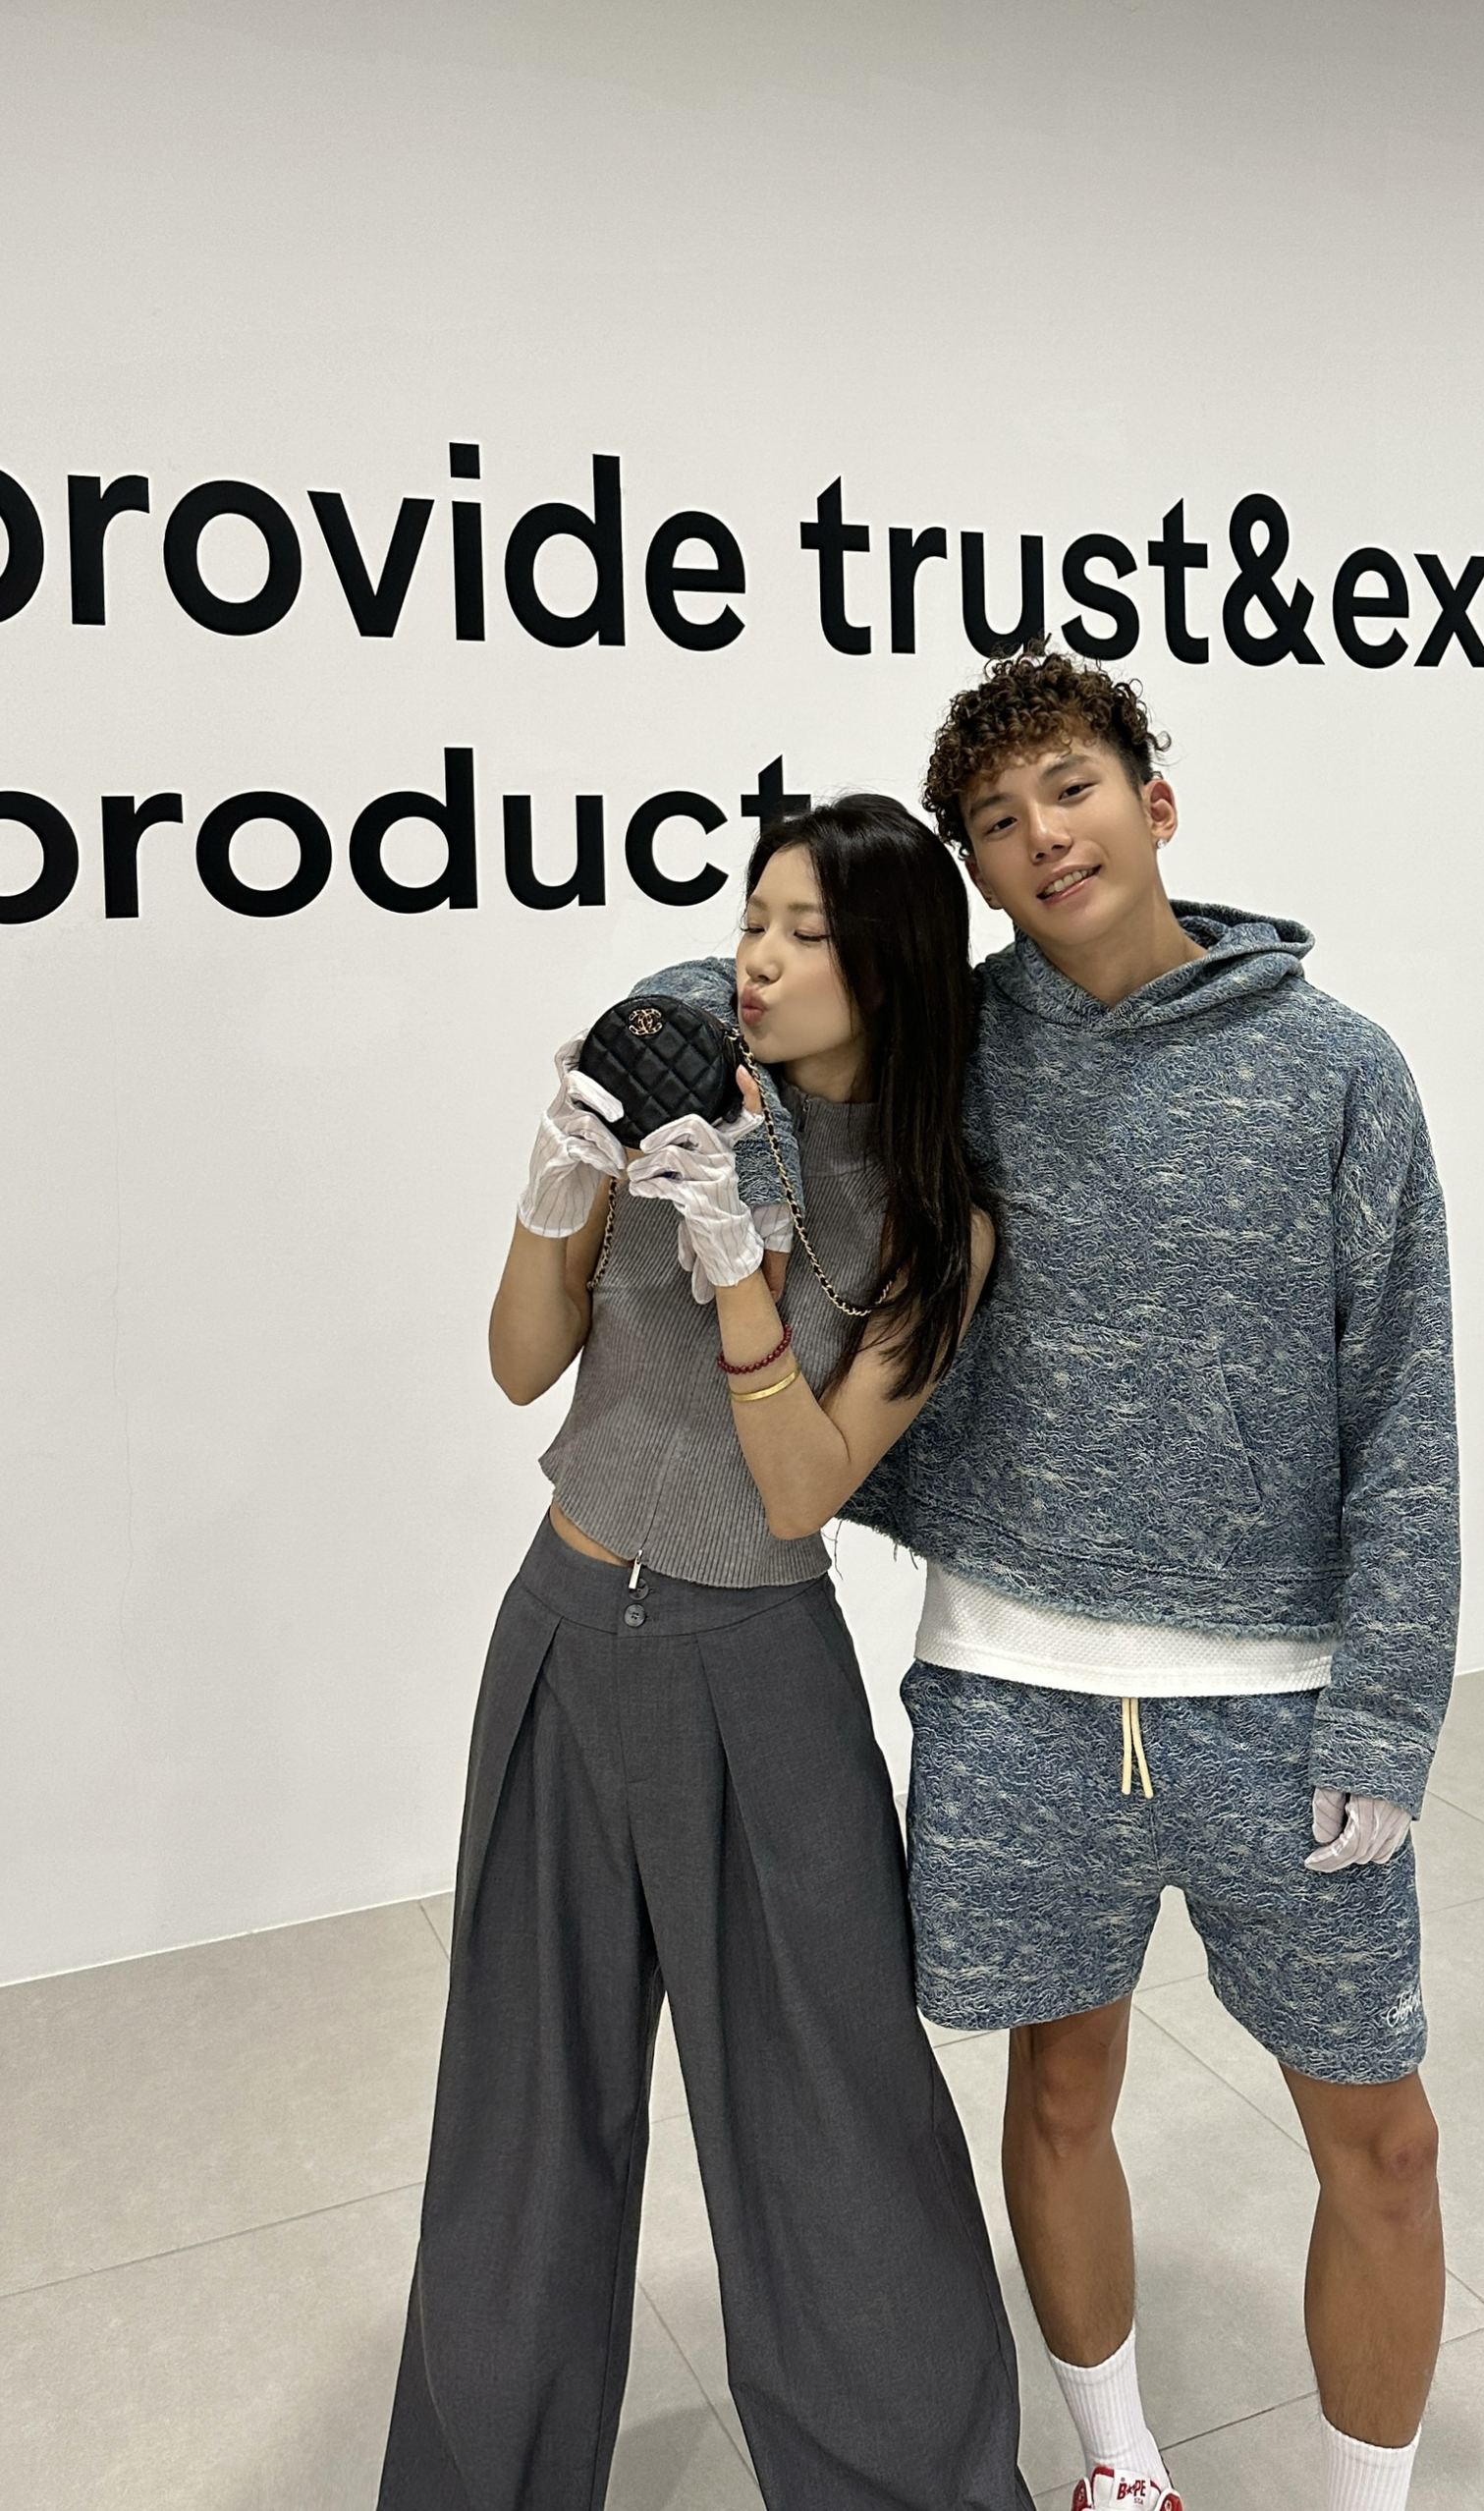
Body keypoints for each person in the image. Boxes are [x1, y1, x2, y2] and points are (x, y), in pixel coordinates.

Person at [847, 651, 1460, 2511]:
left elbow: (1404, 1399)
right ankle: (1120, 2473)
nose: (1042, 835)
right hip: (1014, 1690)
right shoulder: (946, 1054)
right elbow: (765, 998)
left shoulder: (1338, 1069)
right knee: (1055, 2092)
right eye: (996, 819)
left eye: (1072, 787)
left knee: (1385, 2148)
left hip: (1281, 1712)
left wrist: (1388, 1709)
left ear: (1155, 801)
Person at [378, 797, 1029, 2511]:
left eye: (808, 935)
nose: (758, 958)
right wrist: (560, 1191)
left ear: (893, 969)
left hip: (760, 1671)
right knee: (523, 2107)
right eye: (754, 919)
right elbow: (522, 1364)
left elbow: (804, 1487)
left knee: (831, 2118)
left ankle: (911, 2483)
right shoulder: (679, 1099)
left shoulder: (935, 1223)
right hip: (561, 1630)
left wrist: (741, 1264)